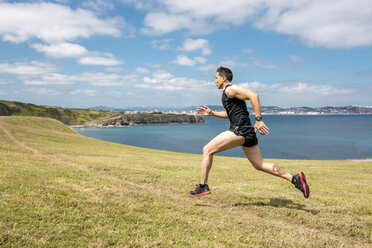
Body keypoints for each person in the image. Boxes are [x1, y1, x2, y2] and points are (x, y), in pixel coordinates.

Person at [189, 66, 310, 198]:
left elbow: (254, 96)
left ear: (223, 78)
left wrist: (258, 120)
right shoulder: (228, 93)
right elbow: (230, 114)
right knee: (259, 164)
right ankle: (295, 179)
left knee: (207, 150)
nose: (215, 81)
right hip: (247, 133)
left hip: (239, 130)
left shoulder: (230, 89)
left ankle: (202, 186)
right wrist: (212, 113)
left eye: (216, 78)